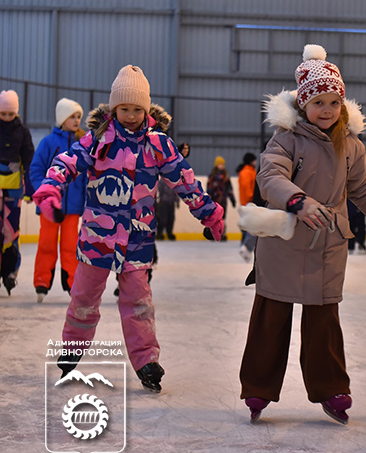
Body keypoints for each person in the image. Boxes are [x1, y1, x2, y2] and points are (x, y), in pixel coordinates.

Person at [237, 44, 366, 425]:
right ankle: (258, 387)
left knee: (324, 322)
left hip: (328, 245)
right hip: (285, 243)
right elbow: (270, 178)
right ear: (302, 105)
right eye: (318, 103)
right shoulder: (286, 140)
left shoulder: (352, 147)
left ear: (343, 106)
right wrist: (298, 201)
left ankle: (331, 389)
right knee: (271, 318)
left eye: (334, 103)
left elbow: (361, 187)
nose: (326, 110)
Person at [33, 65, 224, 393]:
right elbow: (65, 164)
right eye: (125, 109)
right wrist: (49, 190)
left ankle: (146, 361)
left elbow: (185, 182)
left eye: (138, 109)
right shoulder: (98, 141)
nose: (132, 115)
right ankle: (72, 349)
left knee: (139, 303)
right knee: (83, 298)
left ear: (147, 109)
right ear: (114, 108)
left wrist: (209, 214)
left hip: (137, 242)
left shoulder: (158, 145)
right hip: (96, 239)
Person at [29, 98, 88, 302]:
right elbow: (36, 170)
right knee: (46, 243)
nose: (76, 120)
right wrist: (44, 193)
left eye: (79, 116)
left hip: (72, 208)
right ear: (62, 118)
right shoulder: (48, 143)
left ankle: (72, 283)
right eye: (72, 116)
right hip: (49, 208)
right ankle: (41, 283)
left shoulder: (83, 144)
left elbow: (86, 175)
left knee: (71, 246)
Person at [0, 89, 35, 296]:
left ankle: (11, 271)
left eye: (10, 114)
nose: (5, 118)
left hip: (14, 187)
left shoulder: (23, 132)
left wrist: (30, 189)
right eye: (2, 114)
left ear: (16, 113)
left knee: (11, 230)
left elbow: (29, 161)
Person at [207, 156, 236, 241]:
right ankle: (212, 234)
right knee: (213, 218)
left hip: (223, 201)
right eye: (219, 164)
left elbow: (229, 189)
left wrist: (232, 199)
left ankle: (221, 234)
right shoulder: (212, 176)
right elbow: (209, 188)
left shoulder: (226, 177)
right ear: (216, 165)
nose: (221, 166)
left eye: (222, 164)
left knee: (222, 218)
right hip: (214, 201)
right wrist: (207, 200)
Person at [236, 152, 258, 261]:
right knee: (251, 225)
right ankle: (245, 246)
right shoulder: (247, 171)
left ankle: (245, 246)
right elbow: (246, 187)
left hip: (248, 201)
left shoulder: (250, 170)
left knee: (248, 225)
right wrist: (251, 198)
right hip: (249, 201)